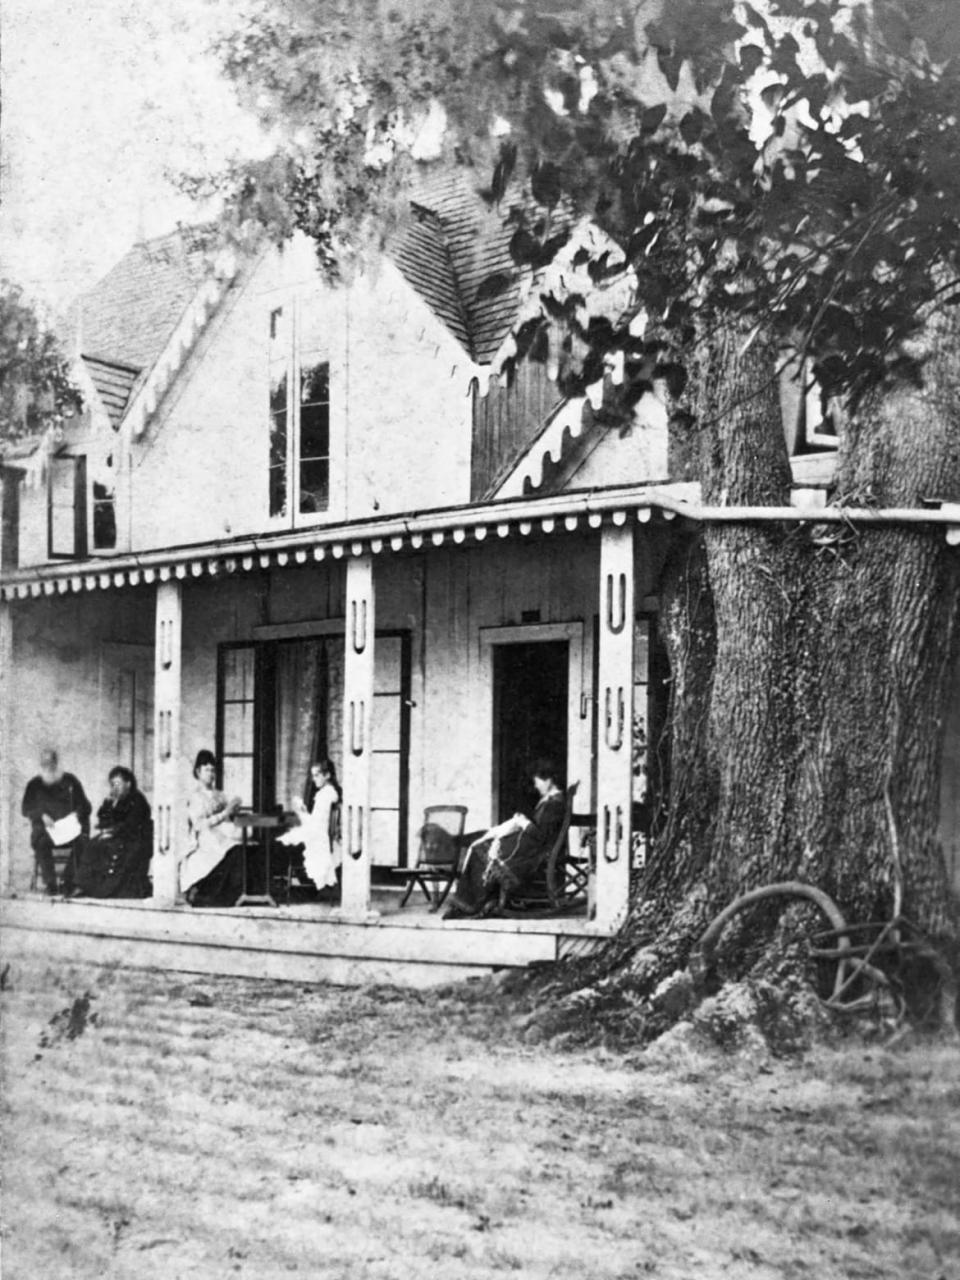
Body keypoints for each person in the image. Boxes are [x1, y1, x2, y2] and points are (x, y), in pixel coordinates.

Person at [444, 758, 567, 919]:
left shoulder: (554, 803)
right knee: (482, 842)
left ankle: (471, 905)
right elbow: (539, 829)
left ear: (549, 780)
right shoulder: (551, 801)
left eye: (538, 782)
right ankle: (479, 901)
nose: (536, 786)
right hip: (530, 845)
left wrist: (523, 822)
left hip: (535, 851)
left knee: (483, 850)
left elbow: (541, 836)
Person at [21, 748, 92, 895]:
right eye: (45, 763)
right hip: (46, 832)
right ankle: (51, 884)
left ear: (56, 762)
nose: (49, 766)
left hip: (69, 831)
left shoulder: (70, 781)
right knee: (41, 843)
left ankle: (68, 882)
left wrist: (77, 814)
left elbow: (86, 806)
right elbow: (25, 809)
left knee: (83, 843)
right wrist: (41, 815)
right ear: (41, 764)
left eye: (51, 762)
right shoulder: (34, 785)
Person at [75, 766, 152, 898]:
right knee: (91, 844)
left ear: (128, 784)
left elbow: (131, 824)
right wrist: (108, 805)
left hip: (135, 839)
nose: (114, 788)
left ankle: (102, 889)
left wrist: (111, 832)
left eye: (118, 784)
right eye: (112, 785)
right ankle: (84, 885)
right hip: (118, 836)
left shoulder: (138, 800)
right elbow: (102, 820)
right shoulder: (117, 800)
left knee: (105, 846)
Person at [181, 750, 244, 906]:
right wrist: (224, 813)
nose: (211, 774)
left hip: (222, 834)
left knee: (238, 847)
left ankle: (226, 894)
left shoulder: (220, 794)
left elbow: (228, 818)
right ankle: (208, 893)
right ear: (198, 772)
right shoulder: (195, 797)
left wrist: (233, 810)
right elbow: (199, 824)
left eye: (213, 770)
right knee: (228, 849)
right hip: (205, 837)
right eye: (207, 770)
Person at [277, 758, 342, 894]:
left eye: (317, 775)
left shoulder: (326, 794)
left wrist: (301, 812)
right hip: (318, 832)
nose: (314, 779)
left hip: (319, 837)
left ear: (327, 775)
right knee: (286, 839)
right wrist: (304, 812)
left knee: (282, 843)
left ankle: (295, 886)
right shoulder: (327, 793)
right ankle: (301, 885)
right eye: (313, 776)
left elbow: (316, 824)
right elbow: (317, 820)